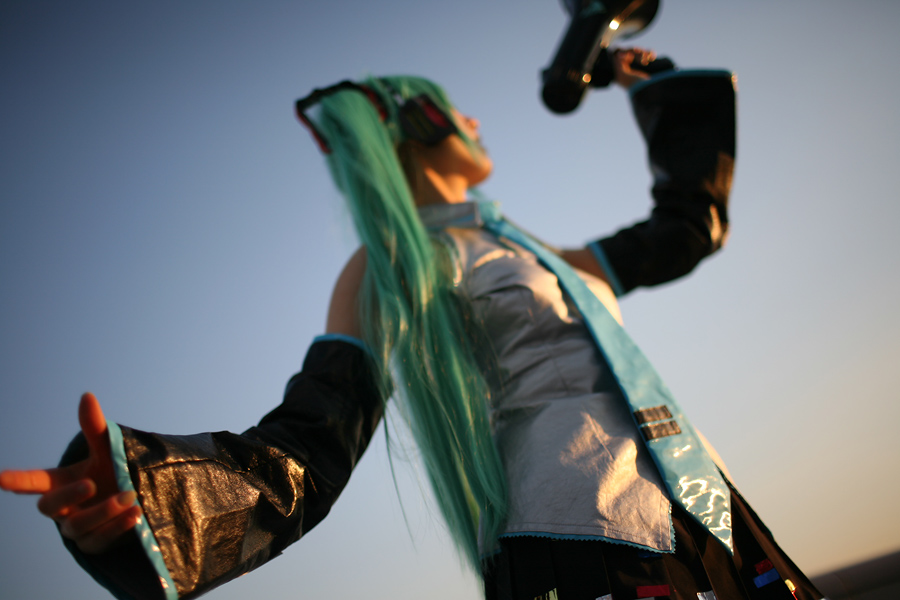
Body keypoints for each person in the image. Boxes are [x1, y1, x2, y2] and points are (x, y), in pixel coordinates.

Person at [0, 49, 824, 600]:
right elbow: (313, 438)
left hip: (712, 512)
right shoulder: (390, 266)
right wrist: (148, 499)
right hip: (580, 539)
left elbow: (685, 229)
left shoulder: (543, 255)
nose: (478, 122)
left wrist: (655, 86)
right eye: (459, 111)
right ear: (421, 123)